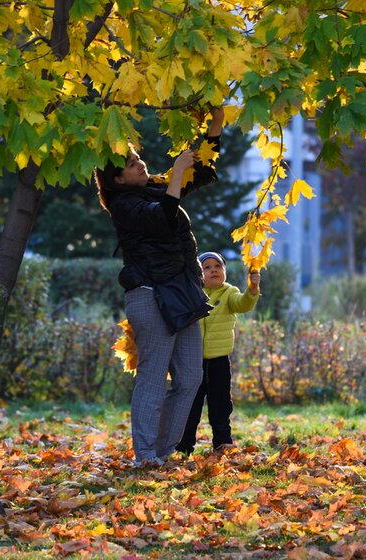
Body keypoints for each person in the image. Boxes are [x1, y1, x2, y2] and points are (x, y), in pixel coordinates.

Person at [94, 107, 226, 466]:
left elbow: (198, 175)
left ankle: (163, 452)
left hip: (182, 294)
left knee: (190, 378)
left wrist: (214, 128)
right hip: (151, 297)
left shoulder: (153, 187)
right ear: (118, 181)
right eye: (131, 164)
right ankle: (145, 454)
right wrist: (176, 175)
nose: (140, 165)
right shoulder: (123, 205)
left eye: (138, 158)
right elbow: (163, 220)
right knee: (153, 377)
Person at [175, 251, 260, 455]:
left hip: (219, 362)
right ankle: (183, 446)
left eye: (218, 267)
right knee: (190, 407)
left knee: (220, 405)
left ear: (224, 271)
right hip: (193, 360)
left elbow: (243, 304)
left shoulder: (229, 293)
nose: (213, 270)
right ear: (199, 273)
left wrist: (253, 288)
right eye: (207, 267)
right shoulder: (193, 293)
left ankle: (222, 444)